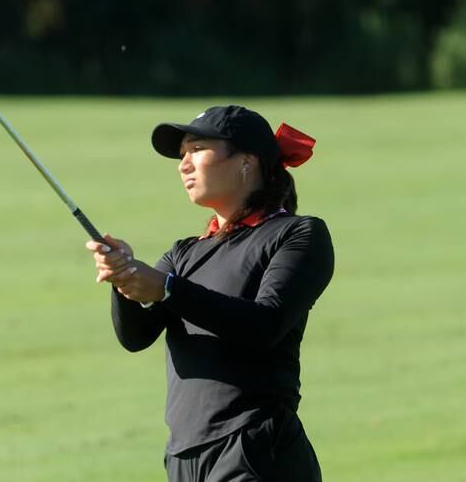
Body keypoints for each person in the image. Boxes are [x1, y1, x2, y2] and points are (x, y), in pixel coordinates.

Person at [85, 105, 334, 481]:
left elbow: (265, 324)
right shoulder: (184, 253)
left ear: (247, 161)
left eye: (197, 150)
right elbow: (135, 336)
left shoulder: (298, 235)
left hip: (254, 448)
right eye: (182, 155)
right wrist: (124, 281)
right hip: (184, 457)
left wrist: (166, 288)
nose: (184, 164)